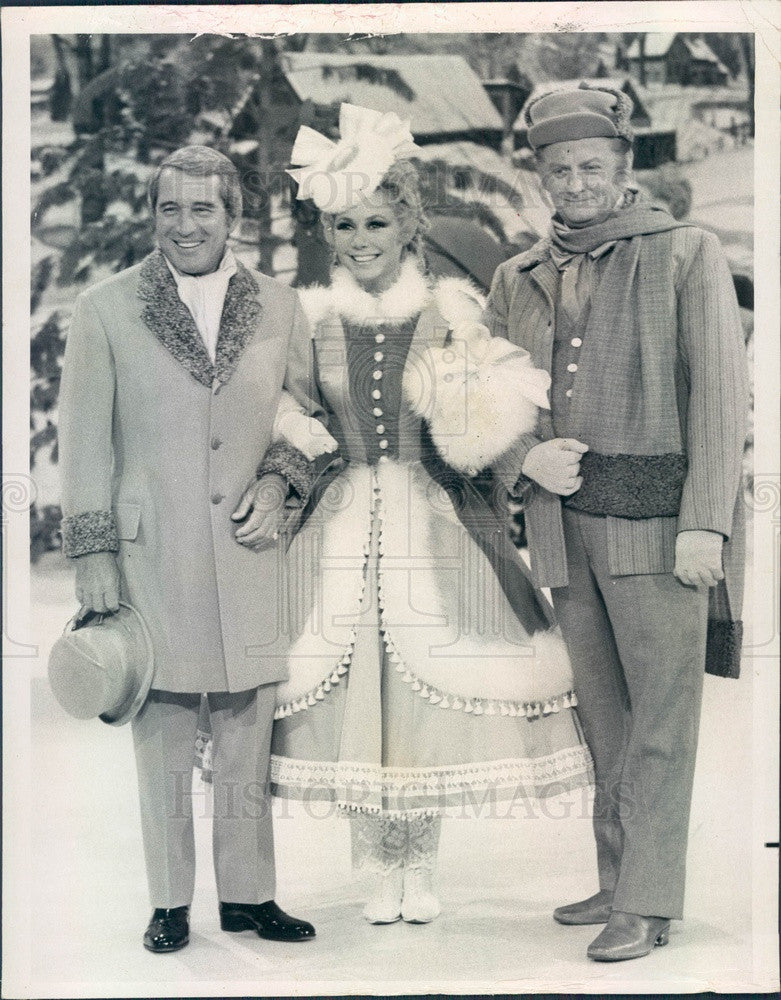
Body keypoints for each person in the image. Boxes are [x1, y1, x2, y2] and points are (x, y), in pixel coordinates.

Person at [232, 103, 593, 926]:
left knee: (425, 693)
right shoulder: (308, 318)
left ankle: (418, 863)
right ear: (330, 230)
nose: (361, 240)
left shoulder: (449, 311)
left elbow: (485, 417)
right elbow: (288, 414)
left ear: (407, 227)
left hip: (433, 518)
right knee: (352, 694)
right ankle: (377, 868)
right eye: (346, 224)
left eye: (377, 224)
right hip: (337, 520)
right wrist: (289, 466)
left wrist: (503, 445)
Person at [484, 84, 748, 961]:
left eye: (591, 166)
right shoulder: (515, 275)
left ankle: (648, 901)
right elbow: (480, 397)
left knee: (660, 721)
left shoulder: (683, 253)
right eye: (557, 169)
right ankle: (615, 876)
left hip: (660, 529)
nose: (575, 182)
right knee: (602, 717)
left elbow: (717, 396)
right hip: (563, 531)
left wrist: (705, 523)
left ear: (623, 168)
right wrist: (523, 453)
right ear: (539, 175)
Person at [58, 145, 321, 953]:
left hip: (249, 553)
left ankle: (247, 897)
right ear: (152, 217)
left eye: (202, 209)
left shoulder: (280, 307)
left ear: (233, 217)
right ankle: (169, 903)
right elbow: (82, 445)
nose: (184, 225)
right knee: (164, 730)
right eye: (168, 208)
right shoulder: (103, 309)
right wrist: (93, 553)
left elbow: (304, 421)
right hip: (150, 558)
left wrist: (279, 485)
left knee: (248, 726)